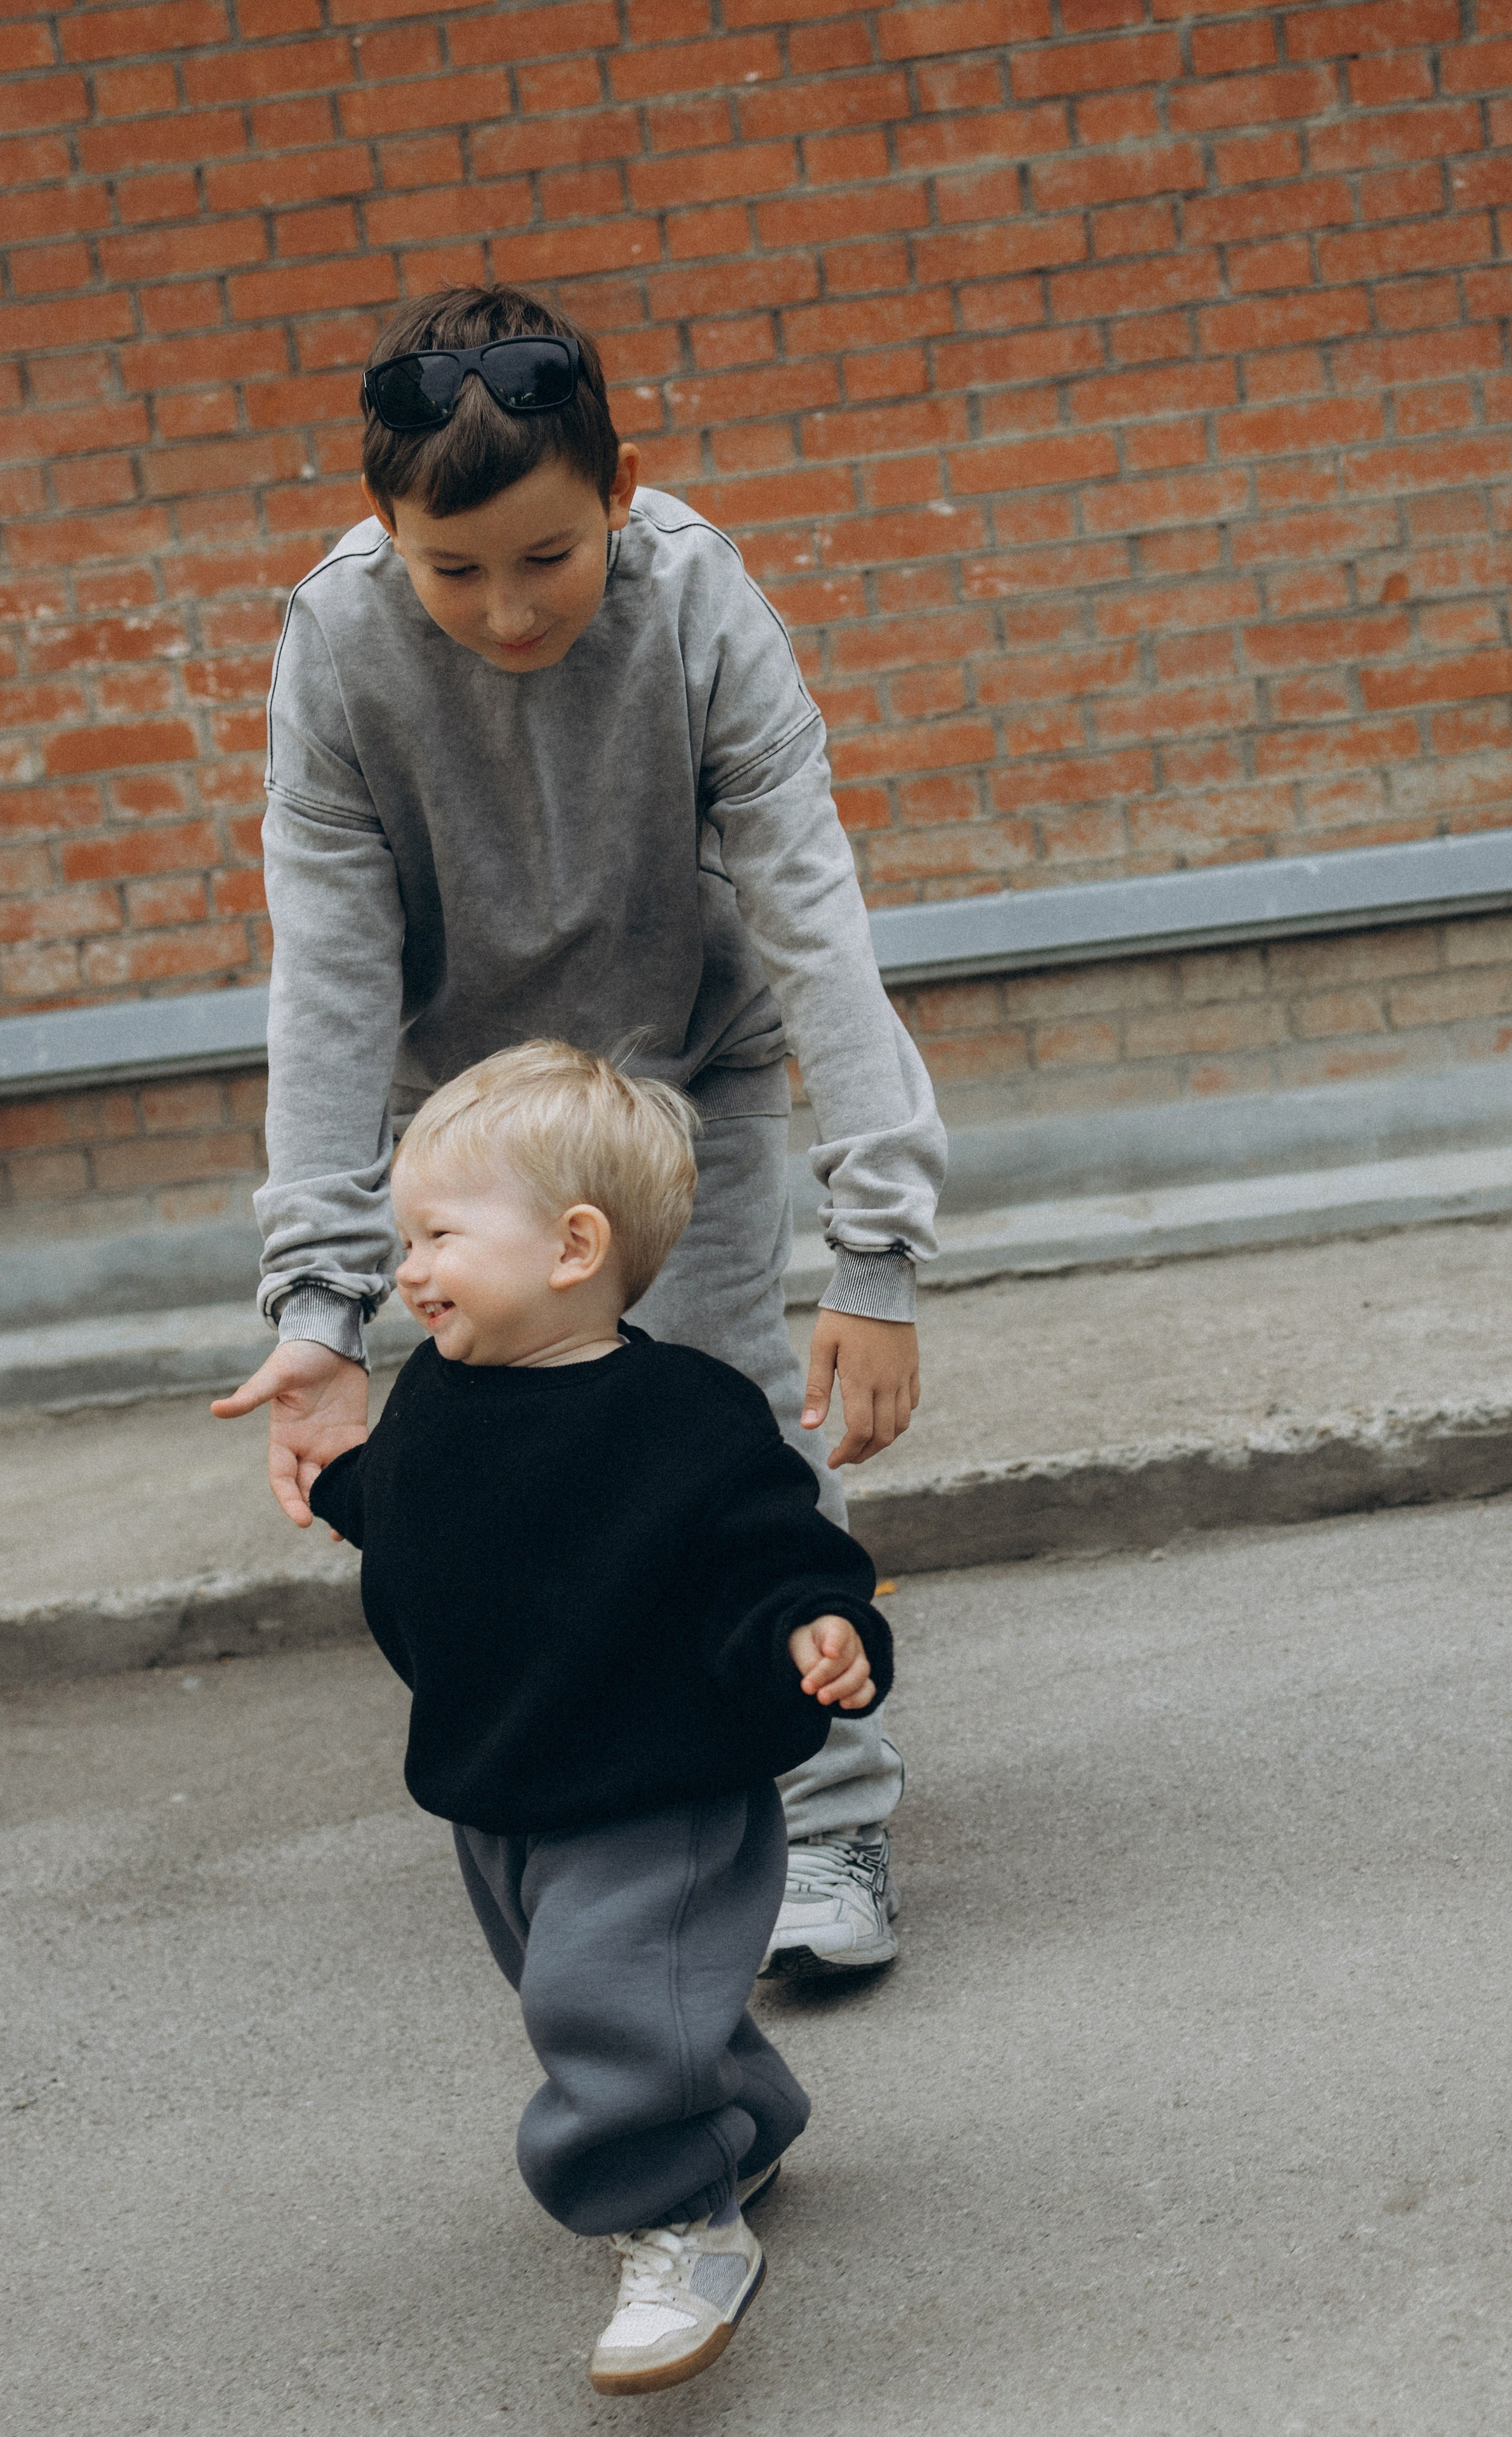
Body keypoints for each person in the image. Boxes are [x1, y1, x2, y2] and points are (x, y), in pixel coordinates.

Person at [212, 282, 945, 1976]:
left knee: (727, 1418)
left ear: (621, 486)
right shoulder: (336, 641)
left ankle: (823, 1816)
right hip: (468, 1108)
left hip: (683, 1072)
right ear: (383, 523)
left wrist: (879, 1250)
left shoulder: (694, 601)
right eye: (451, 569)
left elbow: (812, 913)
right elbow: (327, 974)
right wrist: (320, 1304)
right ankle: (605, 1806)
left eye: (548, 554)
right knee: (514, 1463)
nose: (507, 607)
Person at [304, 1041, 892, 2393]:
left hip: (657, 1786)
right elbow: (413, 1506)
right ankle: (741, 2120)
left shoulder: (683, 1414)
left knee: (601, 2002)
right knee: (620, 1995)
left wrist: (817, 1622)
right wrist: (339, 1483)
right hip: (502, 1784)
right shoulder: (440, 1394)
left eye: (439, 1236)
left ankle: (678, 2221)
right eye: (407, 1239)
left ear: (573, 1247)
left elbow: (773, 1545)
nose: (409, 1268)